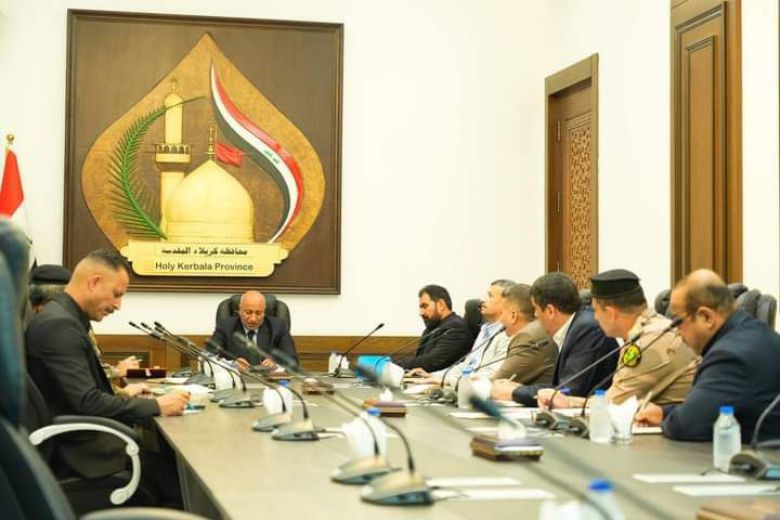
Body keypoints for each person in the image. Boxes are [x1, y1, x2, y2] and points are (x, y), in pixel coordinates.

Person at [25, 248, 188, 506]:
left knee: (174, 470)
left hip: (86, 443)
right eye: (117, 294)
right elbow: (88, 401)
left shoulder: (65, 317)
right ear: (94, 282)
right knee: (182, 486)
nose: (118, 305)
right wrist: (157, 406)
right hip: (79, 456)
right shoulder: (60, 326)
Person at [635, 269, 780, 442]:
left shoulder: (730, 356)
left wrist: (669, 419)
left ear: (706, 317)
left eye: (677, 322)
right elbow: (711, 406)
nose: (676, 332)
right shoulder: (754, 332)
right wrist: (663, 413)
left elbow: (687, 425)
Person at [537, 269, 698, 410]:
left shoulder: (650, 340)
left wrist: (568, 402)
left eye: (595, 311)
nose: (595, 317)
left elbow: (615, 403)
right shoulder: (650, 330)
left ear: (611, 313)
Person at [492, 272, 619, 405]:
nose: (535, 315)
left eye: (535, 309)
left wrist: (515, 392)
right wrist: (519, 388)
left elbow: (568, 391)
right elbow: (561, 386)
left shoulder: (587, 329)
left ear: (550, 311)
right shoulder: (576, 326)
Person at [411, 279, 513, 386]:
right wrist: (434, 375)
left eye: (490, 296)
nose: (483, 300)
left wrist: (447, 381)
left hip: (476, 389)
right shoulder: (484, 329)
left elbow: (492, 374)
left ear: (507, 303)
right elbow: (466, 366)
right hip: (461, 385)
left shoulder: (508, 334)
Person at [208, 289, 298, 369]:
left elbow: (293, 360)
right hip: (237, 378)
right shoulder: (226, 326)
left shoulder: (278, 326)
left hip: (268, 380)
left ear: (264, 312)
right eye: (248, 312)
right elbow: (208, 356)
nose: (253, 319)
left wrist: (276, 363)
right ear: (239, 311)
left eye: (258, 313)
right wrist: (232, 364)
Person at [393, 284, 473, 372]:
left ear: (441, 305)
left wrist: (392, 365)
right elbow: (420, 360)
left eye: (425, 306)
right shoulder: (433, 327)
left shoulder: (456, 328)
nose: (421, 313)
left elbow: (431, 361)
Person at [490, 282, 556, 384]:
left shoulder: (527, 337)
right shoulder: (537, 329)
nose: (500, 320)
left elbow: (496, 382)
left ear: (513, 316)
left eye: (502, 313)